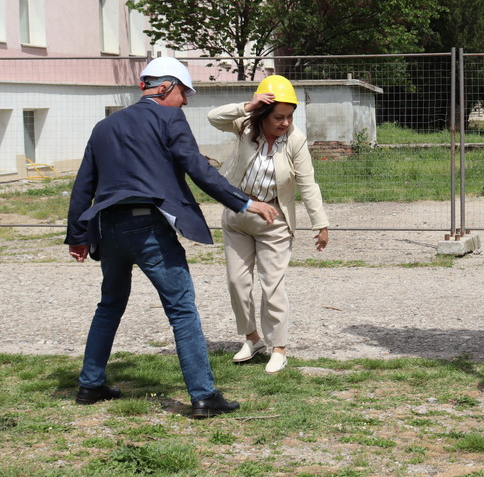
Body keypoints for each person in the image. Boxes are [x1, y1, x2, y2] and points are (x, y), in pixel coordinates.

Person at [66, 57, 279, 417]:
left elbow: (83, 184)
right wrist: (245, 202)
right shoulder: (169, 119)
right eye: (183, 94)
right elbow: (198, 168)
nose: (184, 102)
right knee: (181, 309)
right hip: (148, 227)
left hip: (107, 228)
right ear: (165, 87)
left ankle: (90, 384)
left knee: (109, 305)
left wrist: (77, 235)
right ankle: (203, 395)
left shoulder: (104, 126)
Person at [208, 75, 329, 374]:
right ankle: (252, 339)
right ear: (262, 113)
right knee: (237, 283)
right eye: (278, 117)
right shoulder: (244, 126)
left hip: (274, 220)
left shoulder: (295, 140)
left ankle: (279, 349)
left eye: (289, 117)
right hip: (238, 213)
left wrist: (320, 224)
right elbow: (214, 117)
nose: (285, 123)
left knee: (272, 286)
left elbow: (308, 183)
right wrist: (247, 106)